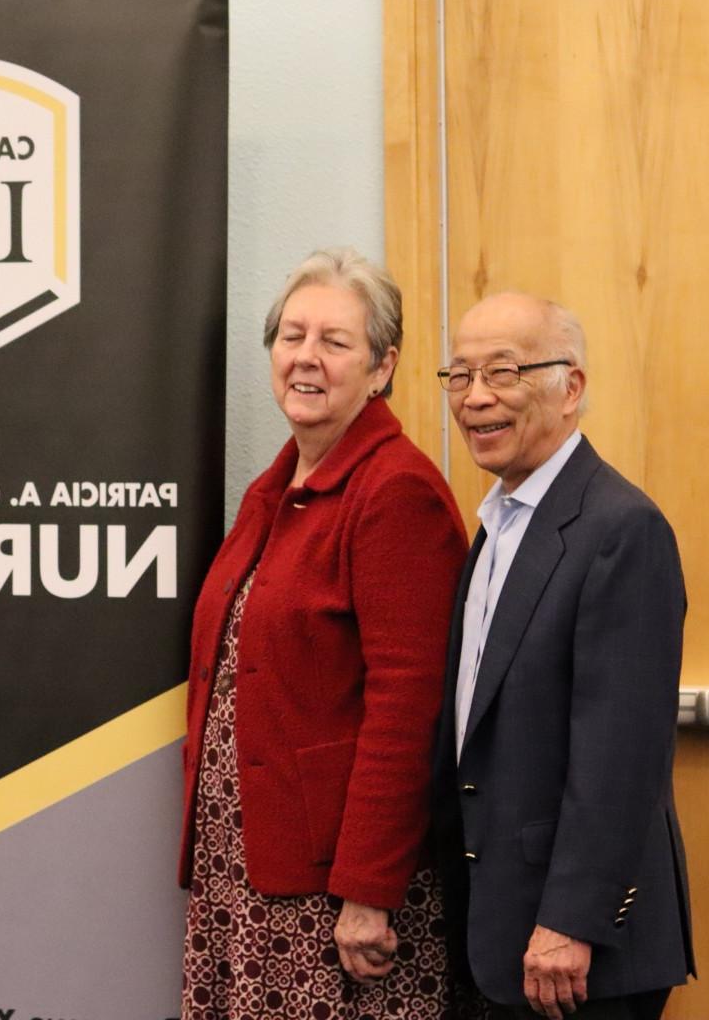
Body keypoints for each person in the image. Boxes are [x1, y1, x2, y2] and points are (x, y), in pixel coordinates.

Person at [178, 249, 467, 1019]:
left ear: (382, 367)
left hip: (336, 896)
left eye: (335, 341)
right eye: (291, 336)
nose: (307, 357)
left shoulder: (395, 491)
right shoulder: (275, 489)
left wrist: (369, 893)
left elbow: (411, 709)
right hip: (249, 874)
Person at [433, 293, 693, 1020]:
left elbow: (623, 752)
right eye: (458, 375)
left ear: (570, 387)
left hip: (578, 951)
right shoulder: (497, 524)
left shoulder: (621, 528)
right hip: (501, 928)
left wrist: (571, 922)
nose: (476, 397)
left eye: (503, 372)